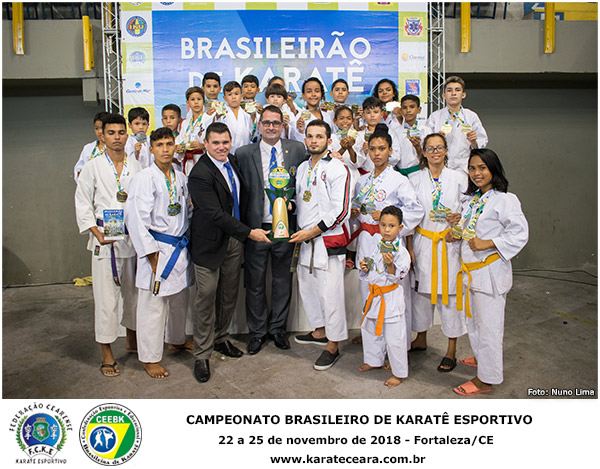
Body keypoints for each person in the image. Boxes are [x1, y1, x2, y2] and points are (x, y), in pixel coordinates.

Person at [187, 122, 271, 383]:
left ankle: (221, 338)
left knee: (228, 294)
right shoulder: (200, 173)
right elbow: (215, 214)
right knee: (206, 297)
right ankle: (202, 354)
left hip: (233, 241)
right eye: (216, 143)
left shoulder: (233, 162)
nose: (221, 147)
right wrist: (249, 232)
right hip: (209, 244)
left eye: (225, 142)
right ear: (206, 143)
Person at [446, 148, 528, 395]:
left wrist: (489, 243)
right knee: (474, 322)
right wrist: (456, 231)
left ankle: (486, 380)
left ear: (493, 169)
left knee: (489, 328)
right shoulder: (474, 200)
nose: (476, 173)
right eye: (472, 168)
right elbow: (470, 230)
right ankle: (482, 358)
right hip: (471, 273)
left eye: (482, 168)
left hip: (489, 273)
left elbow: (519, 233)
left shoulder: (506, 200)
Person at [235, 106, 307, 355]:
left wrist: (293, 204)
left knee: (282, 281)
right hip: (256, 228)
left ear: (282, 126)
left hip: (286, 227)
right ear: (259, 125)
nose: (271, 127)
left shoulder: (297, 150)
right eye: (266, 122)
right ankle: (256, 333)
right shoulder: (244, 153)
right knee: (254, 283)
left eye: (276, 123)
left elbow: (303, 184)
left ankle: (277, 329)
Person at [125, 127, 195, 379]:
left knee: (179, 300)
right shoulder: (144, 178)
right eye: (159, 145)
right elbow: (135, 219)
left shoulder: (180, 177)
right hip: (157, 247)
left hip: (179, 247)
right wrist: (150, 254)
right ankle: (149, 358)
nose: (165, 149)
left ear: (175, 146)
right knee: (152, 307)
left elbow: (186, 211)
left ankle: (176, 340)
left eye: (169, 144)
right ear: (151, 148)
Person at [75, 113, 141, 377]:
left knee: (134, 295)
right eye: (111, 133)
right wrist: (96, 232)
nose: (117, 138)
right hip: (105, 240)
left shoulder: (136, 165)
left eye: (121, 132)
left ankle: (132, 339)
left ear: (127, 135)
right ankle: (106, 353)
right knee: (106, 299)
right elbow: (82, 202)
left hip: (131, 239)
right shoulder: (92, 166)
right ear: (102, 135)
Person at [352, 124, 424, 349]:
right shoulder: (362, 181)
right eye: (373, 149)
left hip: (388, 242)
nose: (377, 154)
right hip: (366, 240)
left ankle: (399, 349)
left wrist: (388, 220)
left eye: (382, 149)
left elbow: (416, 211)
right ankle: (373, 347)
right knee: (369, 289)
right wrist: (354, 213)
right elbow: (357, 208)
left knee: (393, 294)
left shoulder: (399, 180)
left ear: (390, 151)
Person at [290, 119, 351, 371]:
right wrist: (286, 205)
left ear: (329, 140)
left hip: (326, 239)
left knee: (330, 294)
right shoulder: (303, 167)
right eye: (310, 136)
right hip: (305, 238)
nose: (314, 140)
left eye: (319, 136)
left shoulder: (337, 168)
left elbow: (342, 210)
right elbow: (301, 199)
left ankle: (333, 345)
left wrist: (313, 231)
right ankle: (320, 331)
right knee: (309, 288)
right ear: (305, 139)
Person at [409, 133, 468, 372]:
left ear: (446, 151)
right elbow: (409, 213)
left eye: (439, 148)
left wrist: (460, 218)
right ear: (423, 152)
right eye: (430, 148)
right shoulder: (414, 179)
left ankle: (451, 349)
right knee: (421, 295)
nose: (435, 152)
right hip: (423, 241)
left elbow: (470, 207)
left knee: (449, 297)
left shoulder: (459, 178)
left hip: (448, 244)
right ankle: (421, 337)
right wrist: (409, 247)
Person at [358, 205, 411, 387]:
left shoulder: (401, 252)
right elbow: (373, 269)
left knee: (395, 339)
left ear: (400, 228)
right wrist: (365, 268)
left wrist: (390, 266)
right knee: (370, 330)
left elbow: (400, 275)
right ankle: (373, 360)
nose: (387, 230)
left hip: (390, 299)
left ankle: (399, 372)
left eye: (391, 226)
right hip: (374, 296)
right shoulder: (377, 246)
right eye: (383, 225)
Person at [426, 76, 488, 176]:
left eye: (457, 90)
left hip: (464, 167)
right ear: (444, 95)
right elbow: (425, 143)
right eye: (449, 90)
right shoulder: (435, 117)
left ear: (463, 95)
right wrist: (436, 139)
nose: (453, 93)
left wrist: (474, 142)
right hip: (440, 166)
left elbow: (482, 143)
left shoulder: (471, 116)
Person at [175, 86, 216, 175]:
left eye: (199, 99)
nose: (196, 102)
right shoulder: (185, 123)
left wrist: (203, 146)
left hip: (204, 159)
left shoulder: (209, 119)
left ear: (203, 101)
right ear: (188, 102)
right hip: (188, 161)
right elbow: (180, 141)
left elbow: (215, 141)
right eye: (192, 99)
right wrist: (179, 148)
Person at [356, 97, 402, 173]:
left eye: (375, 112)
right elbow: (355, 162)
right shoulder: (359, 135)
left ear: (381, 114)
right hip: (364, 175)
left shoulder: (390, 133)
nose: (372, 115)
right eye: (368, 113)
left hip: (386, 174)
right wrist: (363, 152)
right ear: (363, 115)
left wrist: (384, 154)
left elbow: (396, 157)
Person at [289, 77, 335, 143]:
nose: (313, 94)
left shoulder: (327, 116)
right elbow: (297, 142)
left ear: (322, 94)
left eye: (317, 91)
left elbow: (332, 137)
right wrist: (301, 131)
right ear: (303, 96)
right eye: (309, 91)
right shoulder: (299, 117)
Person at [395, 94, 431, 177]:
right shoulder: (395, 131)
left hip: (419, 172)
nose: (408, 110)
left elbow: (429, 156)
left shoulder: (425, 131)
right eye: (404, 108)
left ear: (419, 110)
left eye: (412, 107)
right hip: (400, 174)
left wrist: (417, 146)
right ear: (401, 111)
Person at [217, 81, 254, 153]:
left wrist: (253, 116)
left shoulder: (247, 115)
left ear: (241, 96)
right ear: (225, 98)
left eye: (236, 94)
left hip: (245, 153)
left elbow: (253, 134)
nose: (233, 97)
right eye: (229, 94)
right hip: (226, 153)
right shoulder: (221, 115)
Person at [74, 111, 109, 183]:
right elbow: (79, 168)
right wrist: (80, 174)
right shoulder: (88, 148)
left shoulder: (116, 147)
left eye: (102, 128)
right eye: (96, 128)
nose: (99, 131)